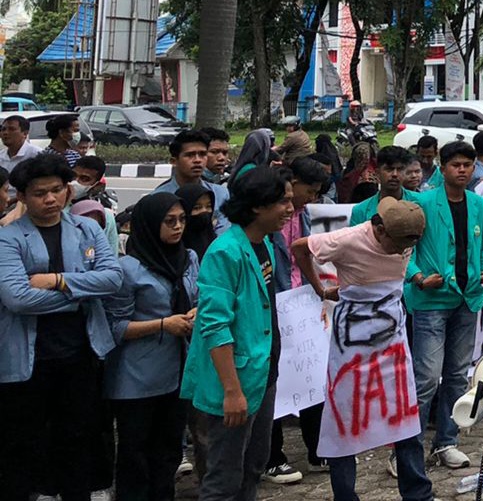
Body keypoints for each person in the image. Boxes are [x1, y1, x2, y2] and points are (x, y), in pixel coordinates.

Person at [290, 198, 431, 501]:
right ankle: (345, 495)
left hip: (392, 338)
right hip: (351, 345)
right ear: (379, 230)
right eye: (398, 244)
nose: (403, 250)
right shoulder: (346, 239)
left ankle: (418, 494)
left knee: (406, 418)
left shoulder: (407, 236)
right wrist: (319, 288)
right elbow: (300, 247)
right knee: (343, 421)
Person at [0, 154, 122, 501]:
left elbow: (113, 278)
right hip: (28, 362)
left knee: (78, 444)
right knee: (24, 449)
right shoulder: (8, 238)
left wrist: (56, 281)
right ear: (21, 196)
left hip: (81, 355)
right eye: (40, 193)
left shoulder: (87, 228)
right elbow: (18, 298)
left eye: (57, 190)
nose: (51, 199)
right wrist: (82, 292)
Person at [180, 166, 295, 501]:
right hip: (235, 380)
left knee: (253, 466)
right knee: (223, 477)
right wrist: (232, 391)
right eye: (282, 202)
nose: (290, 209)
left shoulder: (264, 244)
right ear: (258, 206)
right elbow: (215, 325)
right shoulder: (225, 252)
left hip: (263, 375)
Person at [105, 192, 199, 501]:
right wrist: (163, 324)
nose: (177, 227)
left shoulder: (188, 259)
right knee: (135, 455)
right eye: (169, 221)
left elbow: (198, 297)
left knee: (169, 451)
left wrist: (197, 312)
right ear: (148, 225)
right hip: (137, 377)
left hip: (178, 370)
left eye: (182, 220)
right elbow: (115, 328)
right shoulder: (127, 270)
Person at [406, 141, 483, 470]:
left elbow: (480, 245)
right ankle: (406, 449)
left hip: (467, 297)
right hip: (431, 299)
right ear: (442, 168)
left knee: (457, 376)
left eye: (467, 165)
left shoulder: (478, 204)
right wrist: (417, 277)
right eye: (455, 165)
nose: (462, 170)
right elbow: (406, 249)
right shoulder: (423, 202)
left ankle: (446, 442)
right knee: (426, 377)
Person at [264, 158, 331, 482]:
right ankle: (272, 457)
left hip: (300, 305)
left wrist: (318, 291)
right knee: (275, 383)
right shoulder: (269, 221)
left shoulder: (305, 217)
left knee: (310, 376)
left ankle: (318, 451)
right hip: (271, 305)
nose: (312, 199)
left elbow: (303, 259)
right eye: (310, 191)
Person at [154, 130, 231, 233]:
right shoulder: (158, 198)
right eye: (190, 155)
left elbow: (224, 232)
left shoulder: (221, 194)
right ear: (174, 161)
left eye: (202, 154)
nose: (197, 160)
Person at [176, 184, 218, 261]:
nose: (204, 211)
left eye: (208, 206)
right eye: (197, 208)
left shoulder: (217, 244)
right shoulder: (174, 248)